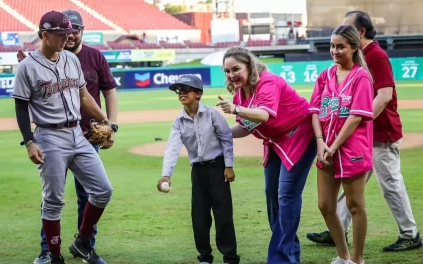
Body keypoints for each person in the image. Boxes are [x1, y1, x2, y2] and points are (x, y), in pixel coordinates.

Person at [306, 10, 422, 253]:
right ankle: (337, 230)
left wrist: (361, 123)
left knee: (390, 182)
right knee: (353, 188)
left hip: (380, 133)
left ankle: (410, 234)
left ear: (359, 32)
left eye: (347, 28)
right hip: (358, 138)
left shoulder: (375, 56)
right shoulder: (349, 61)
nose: (341, 31)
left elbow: (385, 95)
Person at [17, 10, 119, 264]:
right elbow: (20, 106)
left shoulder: (71, 60)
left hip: (78, 133)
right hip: (49, 136)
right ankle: (52, 255)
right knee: (53, 200)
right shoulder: (27, 67)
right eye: (60, 34)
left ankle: (82, 242)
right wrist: (29, 141)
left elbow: (85, 96)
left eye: (69, 33)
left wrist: (107, 121)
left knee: (103, 190)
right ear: (45, 35)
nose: (66, 38)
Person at [217, 46, 317, 263]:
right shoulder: (241, 93)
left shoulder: (267, 82)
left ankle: (280, 258)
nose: (231, 75)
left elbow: (263, 115)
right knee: (272, 195)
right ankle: (290, 253)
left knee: (286, 195)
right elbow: (247, 127)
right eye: (226, 71)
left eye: (236, 69)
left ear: (249, 66)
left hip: (300, 134)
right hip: (275, 142)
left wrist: (235, 109)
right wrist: (220, 134)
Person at [157, 74, 240, 264]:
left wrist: (229, 166)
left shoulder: (212, 114)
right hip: (198, 171)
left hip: (218, 168)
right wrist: (165, 175)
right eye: (179, 90)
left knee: (223, 215)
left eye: (186, 89)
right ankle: (205, 257)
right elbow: (172, 148)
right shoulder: (179, 121)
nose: (181, 93)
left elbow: (226, 139)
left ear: (199, 94)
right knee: (199, 217)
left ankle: (230, 257)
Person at [308, 24, 374, 264]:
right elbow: (314, 111)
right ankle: (343, 255)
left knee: (355, 204)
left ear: (354, 47)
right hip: (325, 149)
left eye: (341, 46)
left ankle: (357, 259)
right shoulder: (324, 76)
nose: (335, 51)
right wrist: (319, 142)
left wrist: (332, 146)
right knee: (325, 205)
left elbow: (356, 117)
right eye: (332, 46)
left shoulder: (361, 77)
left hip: (351, 150)